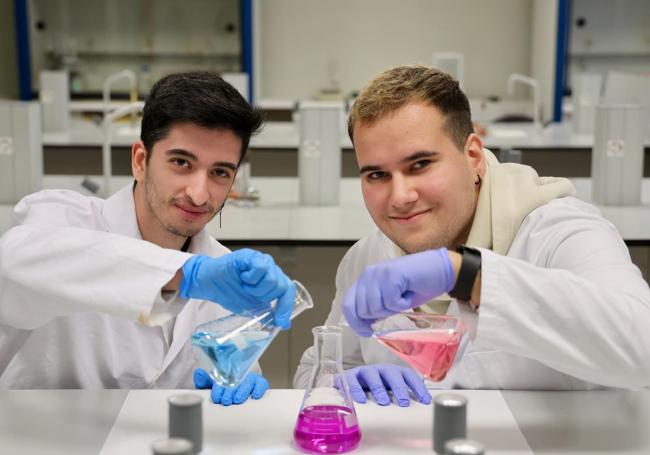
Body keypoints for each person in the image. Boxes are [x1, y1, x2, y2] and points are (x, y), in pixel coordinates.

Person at [294, 64, 650, 406]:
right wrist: (336, 384)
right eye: (376, 175)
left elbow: (641, 348)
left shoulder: (560, 232)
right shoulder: (368, 257)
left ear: (474, 156)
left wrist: (466, 275)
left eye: (420, 165)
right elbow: (318, 367)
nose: (400, 196)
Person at [0, 71, 295, 406]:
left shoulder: (222, 274)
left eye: (219, 172)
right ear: (140, 161)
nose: (199, 195)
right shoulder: (62, 219)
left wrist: (240, 382)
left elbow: (230, 377)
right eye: (181, 163)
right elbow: (11, 267)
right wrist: (186, 276)